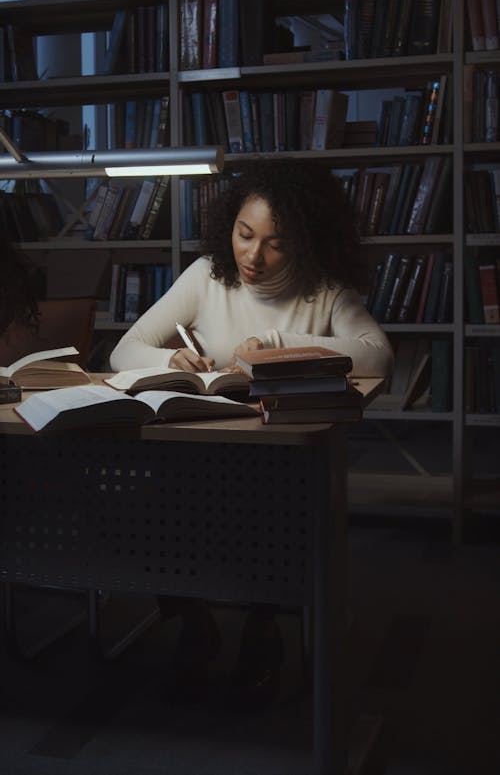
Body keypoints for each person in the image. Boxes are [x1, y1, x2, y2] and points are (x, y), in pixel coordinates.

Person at [110, 162, 393, 708]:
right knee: (151, 510)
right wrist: (171, 356)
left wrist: (281, 343)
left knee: (272, 516)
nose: (253, 257)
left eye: (274, 244)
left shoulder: (325, 292)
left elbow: (379, 355)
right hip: (197, 453)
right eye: (244, 234)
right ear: (229, 227)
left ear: (305, 243)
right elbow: (124, 350)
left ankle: (262, 630)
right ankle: (197, 623)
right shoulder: (206, 276)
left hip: (278, 460)